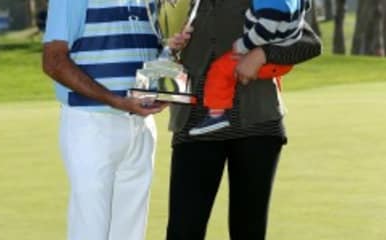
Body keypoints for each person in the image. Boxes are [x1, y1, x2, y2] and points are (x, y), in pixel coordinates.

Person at [165, 0, 322, 239]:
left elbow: (309, 43)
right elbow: (158, 46)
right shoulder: (180, 3)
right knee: (182, 231)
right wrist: (169, 45)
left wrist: (262, 54)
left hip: (257, 123)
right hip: (193, 125)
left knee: (248, 231)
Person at [42, 0, 189, 239]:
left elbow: (154, 52)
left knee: (130, 231)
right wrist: (115, 100)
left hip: (140, 126)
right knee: (90, 228)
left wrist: (164, 79)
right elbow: (53, 61)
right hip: (91, 124)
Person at [189, 0, 311, 135]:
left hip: (258, 124)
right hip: (188, 125)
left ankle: (216, 115)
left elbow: (310, 44)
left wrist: (258, 54)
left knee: (220, 69)